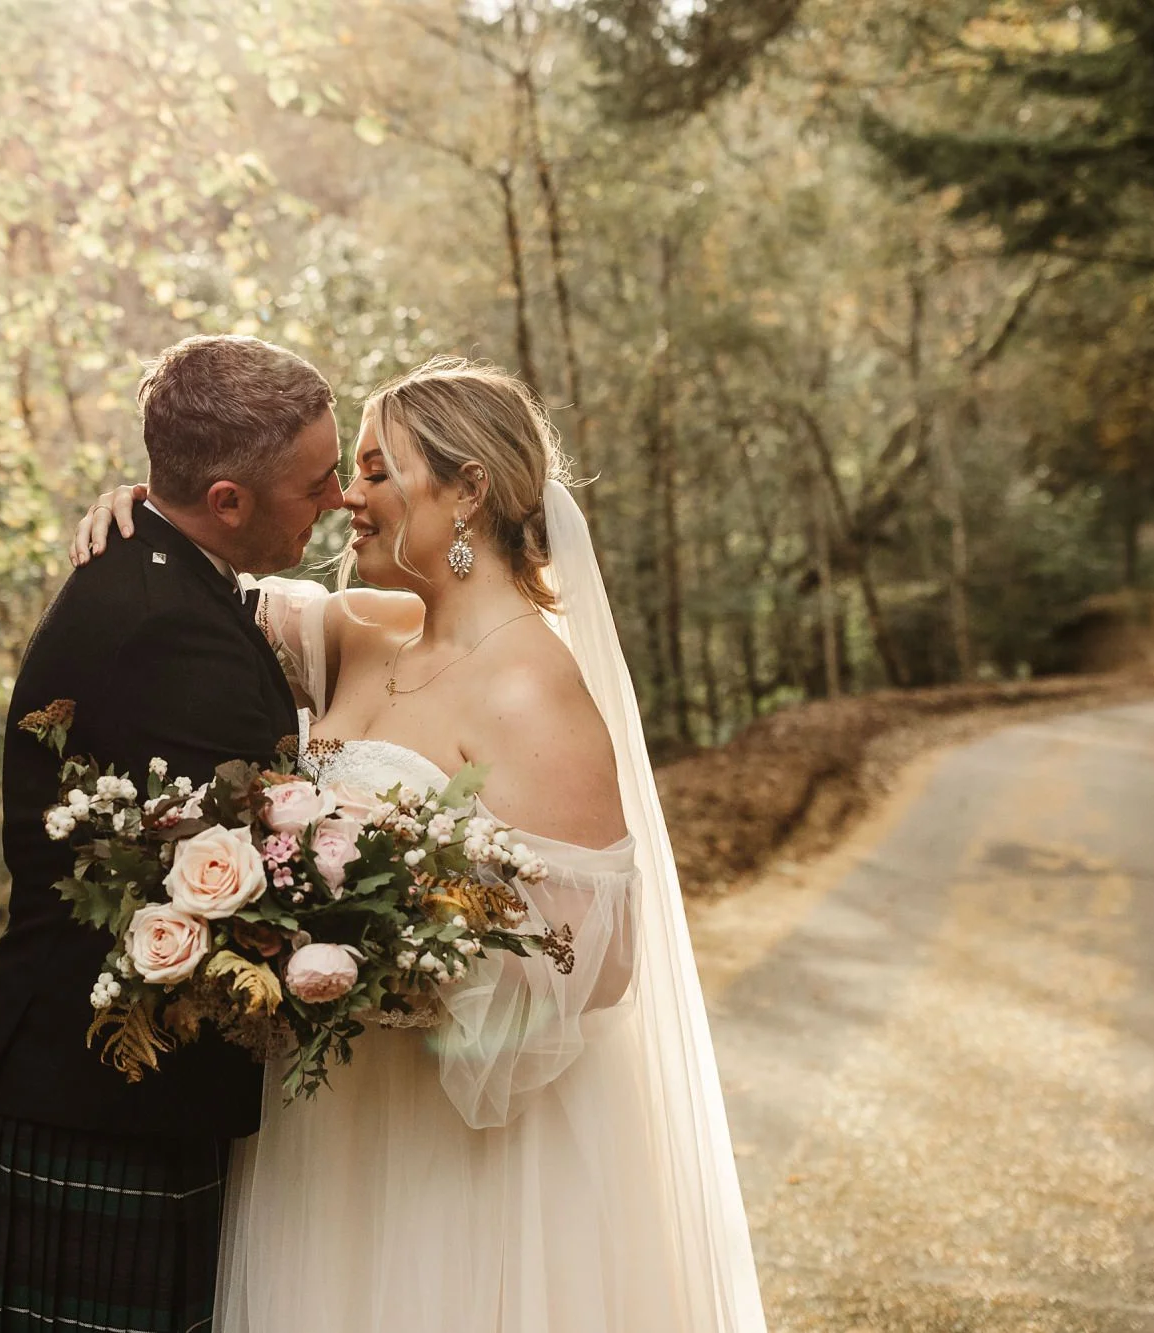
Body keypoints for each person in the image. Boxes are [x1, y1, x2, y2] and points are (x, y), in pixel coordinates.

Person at [70, 356, 767, 1331]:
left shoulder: (531, 685)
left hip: (446, 1152)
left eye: (375, 470)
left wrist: (393, 957)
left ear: (468, 488)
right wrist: (143, 518)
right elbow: (191, 588)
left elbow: (599, 963)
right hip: (319, 1131)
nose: (347, 497)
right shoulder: (362, 629)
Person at [0, 334, 347, 1333]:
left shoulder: (169, 565)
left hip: (95, 1085)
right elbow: (254, 875)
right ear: (227, 501)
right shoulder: (166, 620)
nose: (335, 500)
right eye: (317, 481)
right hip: (97, 1097)